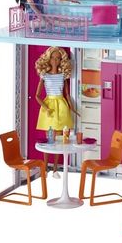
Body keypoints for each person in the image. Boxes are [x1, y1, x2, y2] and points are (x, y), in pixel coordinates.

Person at [35, 46, 79, 178]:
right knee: (49, 141)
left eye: (58, 58)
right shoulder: (44, 75)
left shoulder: (62, 76)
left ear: (61, 60)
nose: (55, 61)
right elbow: (37, 95)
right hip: (49, 108)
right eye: (53, 58)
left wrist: (72, 108)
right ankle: (45, 168)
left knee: (60, 142)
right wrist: (46, 107)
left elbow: (67, 94)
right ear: (48, 59)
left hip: (62, 107)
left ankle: (55, 169)